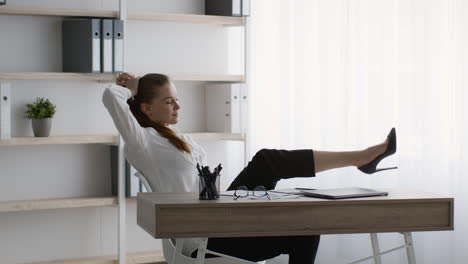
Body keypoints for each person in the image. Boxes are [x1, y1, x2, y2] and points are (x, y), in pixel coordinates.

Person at [102, 72, 397, 264]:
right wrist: (131, 85)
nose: (178, 106)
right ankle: (362, 158)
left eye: (177, 100)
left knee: (295, 208)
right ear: (145, 108)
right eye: (169, 101)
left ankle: (362, 158)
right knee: (273, 170)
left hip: (216, 219)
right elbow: (110, 97)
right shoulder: (142, 142)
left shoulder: (179, 138)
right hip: (202, 239)